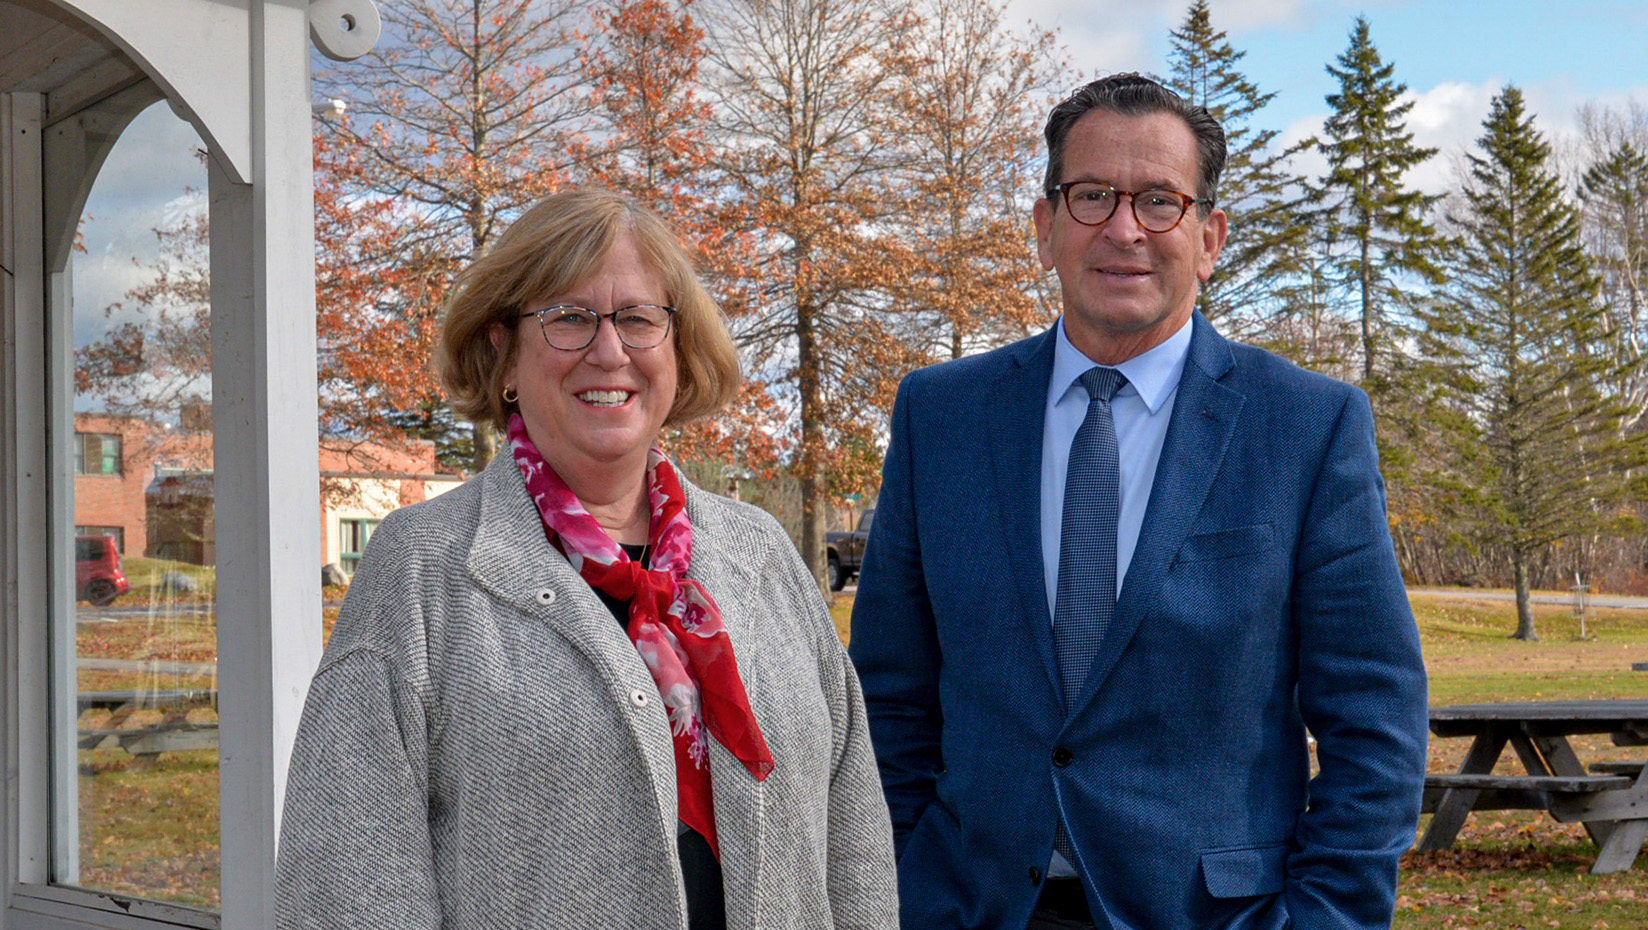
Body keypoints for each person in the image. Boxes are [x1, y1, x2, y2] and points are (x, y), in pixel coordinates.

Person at [848, 73, 1428, 930]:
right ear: (1045, 228)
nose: (1124, 229)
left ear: (1208, 237)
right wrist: (897, 885)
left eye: (1160, 200)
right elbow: (891, 699)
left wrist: (1327, 919)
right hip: (967, 906)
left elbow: (1375, 717)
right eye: (1091, 197)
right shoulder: (941, 416)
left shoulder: (1306, 426)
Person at [275, 188, 898, 930]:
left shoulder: (761, 554)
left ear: (678, 348)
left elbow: (854, 836)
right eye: (569, 318)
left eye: (638, 319)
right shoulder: (421, 569)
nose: (610, 351)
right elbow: (348, 886)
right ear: (503, 352)